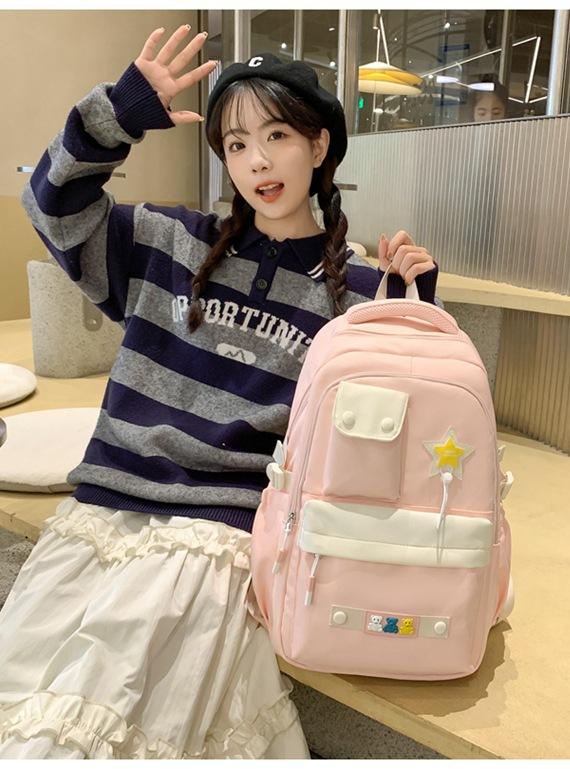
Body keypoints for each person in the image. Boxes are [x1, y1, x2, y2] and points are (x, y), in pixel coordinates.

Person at [0, 24, 440, 759]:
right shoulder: (169, 242)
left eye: (277, 135)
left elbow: (397, 432)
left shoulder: (356, 294)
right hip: (104, 517)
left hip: (218, 538)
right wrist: (118, 114)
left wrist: (411, 304)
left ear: (320, 146)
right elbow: (52, 208)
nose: (256, 160)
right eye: (236, 143)